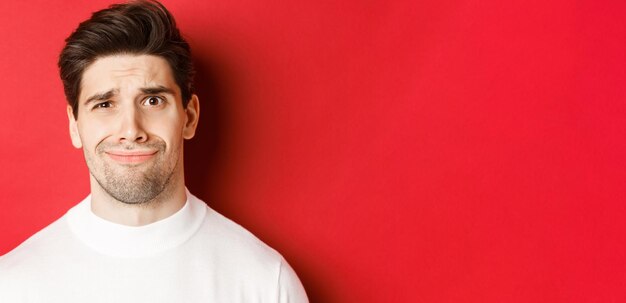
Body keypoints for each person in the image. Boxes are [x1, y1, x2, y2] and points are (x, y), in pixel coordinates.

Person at [0, 1, 308, 302]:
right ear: (74, 125)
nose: (131, 129)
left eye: (152, 101)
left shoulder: (266, 284)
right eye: (105, 104)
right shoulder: (13, 285)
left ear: (189, 116)